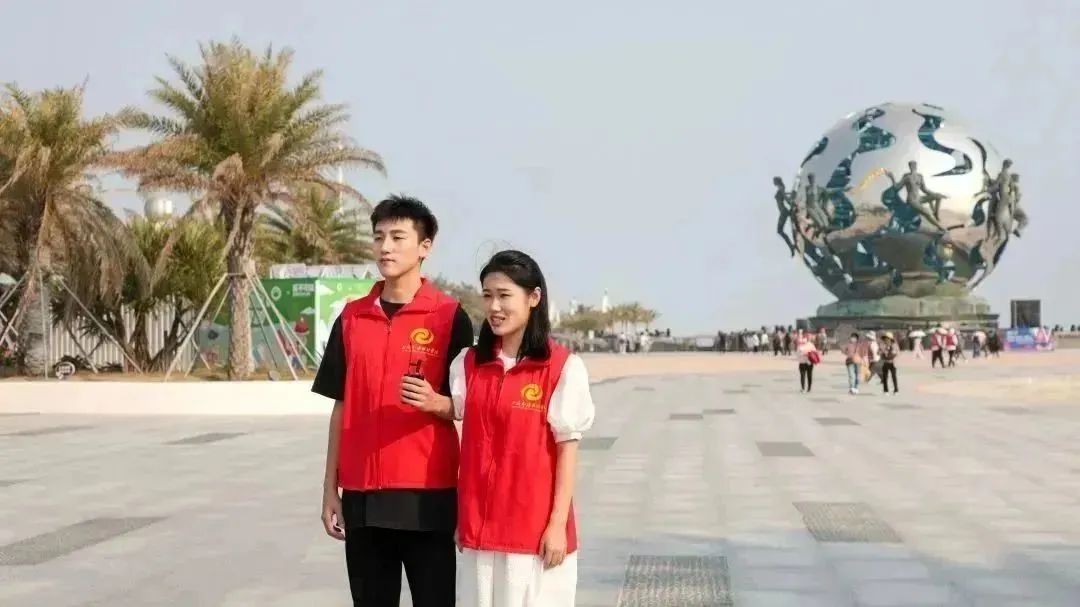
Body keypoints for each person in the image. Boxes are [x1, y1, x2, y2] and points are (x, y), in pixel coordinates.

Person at [312, 195, 474, 607]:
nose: (385, 247)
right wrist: (331, 489)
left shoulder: (449, 317)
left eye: (398, 237)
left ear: (424, 246)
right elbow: (340, 407)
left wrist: (436, 403)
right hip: (363, 499)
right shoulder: (352, 318)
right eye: (378, 236)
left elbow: (469, 406)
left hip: (428, 497)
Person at [450, 250, 595, 606]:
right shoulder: (469, 364)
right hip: (478, 532)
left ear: (534, 297)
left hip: (533, 535)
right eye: (487, 295)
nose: (494, 307)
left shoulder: (562, 368)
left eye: (504, 295)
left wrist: (557, 525)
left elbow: (567, 451)